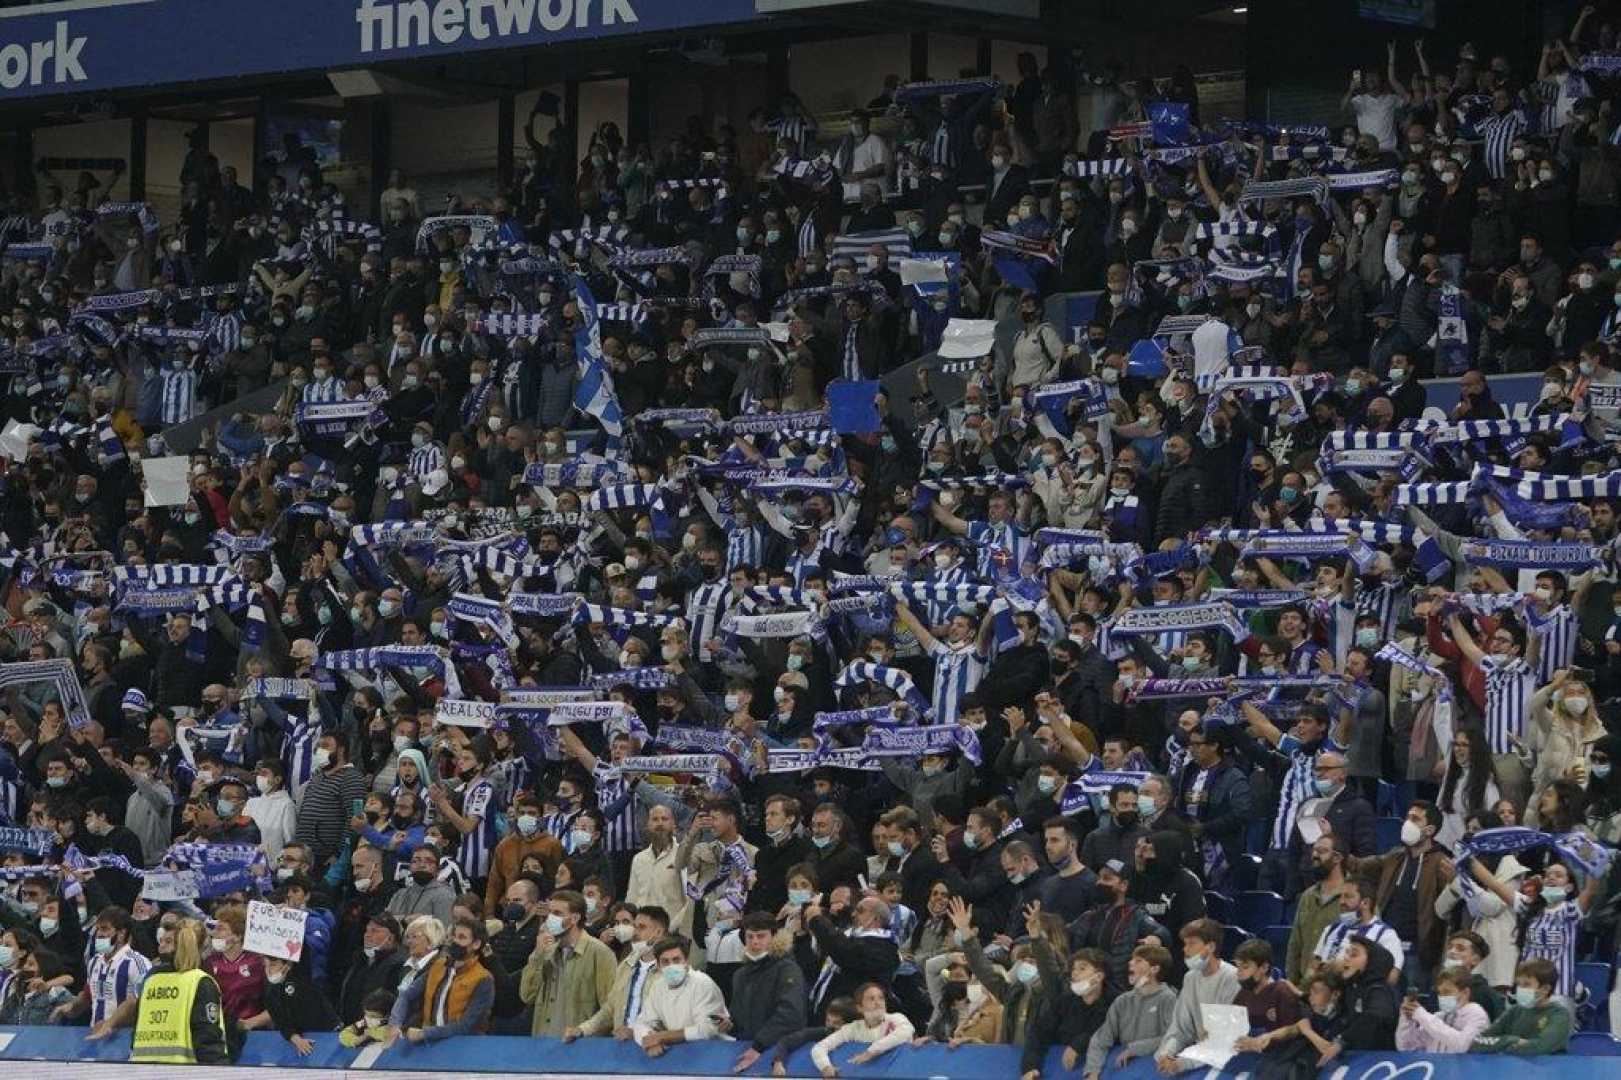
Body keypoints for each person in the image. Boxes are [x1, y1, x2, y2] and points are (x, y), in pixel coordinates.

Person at [130, 920, 231, 1065]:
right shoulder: (200, 981)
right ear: (203, 947)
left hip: (141, 1068)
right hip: (184, 1071)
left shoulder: (151, 979)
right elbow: (207, 1040)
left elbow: (136, 1029)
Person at [520, 888, 617, 1037]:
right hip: (544, 1043)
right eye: (550, 913)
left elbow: (610, 1008)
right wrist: (537, 956)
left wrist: (584, 1032)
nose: (550, 919)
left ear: (575, 918)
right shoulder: (545, 951)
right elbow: (527, 996)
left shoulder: (600, 953)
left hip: (580, 1049)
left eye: (557, 913)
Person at [386, 916, 495, 1044]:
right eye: (454, 936)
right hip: (430, 1045)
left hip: (465, 1046)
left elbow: (466, 1026)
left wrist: (425, 1033)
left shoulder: (483, 978)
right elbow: (407, 995)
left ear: (476, 944)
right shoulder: (438, 966)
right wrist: (395, 1024)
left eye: (462, 937)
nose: (455, 941)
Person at [1082, 944, 1176, 1080]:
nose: (1130, 963)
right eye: (1131, 959)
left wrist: (1135, 1049)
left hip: (1154, 1068)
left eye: (1138, 961)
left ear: (1154, 969)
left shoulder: (1168, 998)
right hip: (1125, 1069)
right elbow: (1101, 1039)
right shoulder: (1122, 1000)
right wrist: (1092, 1071)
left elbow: (1173, 1037)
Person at [631, 935, 729, 1056]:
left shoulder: (703, 983)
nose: (671, 965)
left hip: (711, 1053)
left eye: (676, 960)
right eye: (665, 962)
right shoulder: (658, 986)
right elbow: (643, 1022)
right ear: (658, 965)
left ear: (686, 961)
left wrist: (664, 1036)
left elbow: (708, 1029)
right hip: (676, 1054)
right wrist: (649, 1041)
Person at [810, 981, 914, 1077]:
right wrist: (825, 1067)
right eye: (871, 999)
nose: (878, 1003)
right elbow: (819, 1048)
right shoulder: (853, 1028)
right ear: (859, 1007)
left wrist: (871, 1052)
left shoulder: (896, 1018)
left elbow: (907, 1031)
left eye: (881, 998)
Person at [1471, 958, 1572, 1054]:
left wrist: (1501, 1046)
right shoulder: (1515, 1010)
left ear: (1545, 989)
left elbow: (1540, 1047)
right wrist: (1510, 1040)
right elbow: (1477, 1042)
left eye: (1526, 984)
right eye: (1519, 984)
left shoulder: (1559, 1015)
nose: (1520, 989)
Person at [1396, 965, 1490, 1052]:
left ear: (1465, 992)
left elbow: (1462, 1045)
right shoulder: (1439, 1016)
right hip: (1436, 1067)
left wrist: (1422, 1016)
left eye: (1447, 992)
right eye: (1440, 993)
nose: (1442, 997)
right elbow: (1407, 1047)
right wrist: (1407, 1020)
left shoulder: (1477, 1015)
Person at [261, 954, 341, 1056]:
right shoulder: (269, 991)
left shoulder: (301, 974)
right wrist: (295, 1038)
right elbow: (280, 1021)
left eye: (273, 965)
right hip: (303, 1037)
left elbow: (302, 949)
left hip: (327, 1031)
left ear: (288, 964)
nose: (268, 970)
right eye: (265, 965)